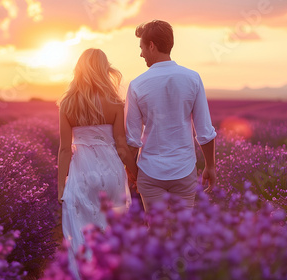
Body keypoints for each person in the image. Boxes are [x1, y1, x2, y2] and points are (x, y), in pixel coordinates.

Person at [57, 48, 137, 279]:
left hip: (82, 171)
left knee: (81, 228)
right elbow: (122, 145)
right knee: (111, 227)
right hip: (110, 170)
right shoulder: (114, 102)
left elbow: (64, 149)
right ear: (104, 69)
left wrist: (61, 185)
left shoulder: (67, 104)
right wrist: (135, 174)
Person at [125, 20, 217, 213]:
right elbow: (205, 131)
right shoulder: (193, 78)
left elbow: (132, 140)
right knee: (182, 232)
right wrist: (210, 166)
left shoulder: (137, 85)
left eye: (141, 47)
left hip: (150, 171)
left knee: (157, 233)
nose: (140, 54)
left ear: (151, 45)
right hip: (184, 169)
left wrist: (131, 172)